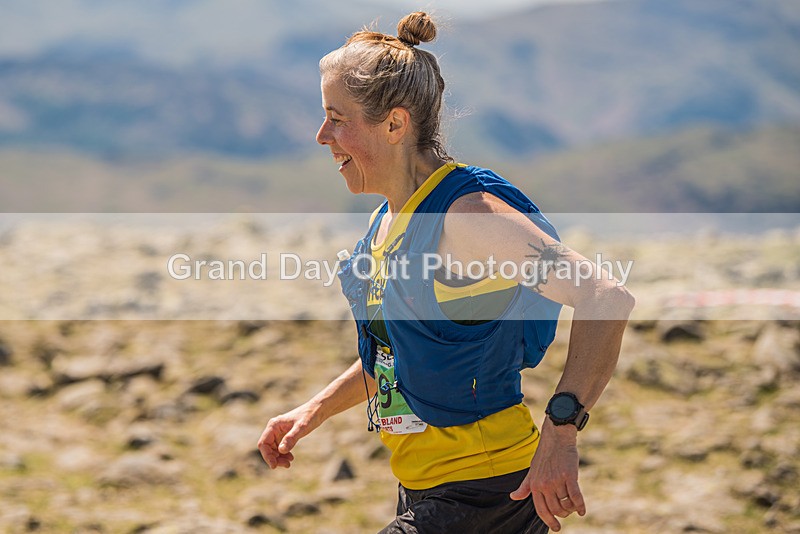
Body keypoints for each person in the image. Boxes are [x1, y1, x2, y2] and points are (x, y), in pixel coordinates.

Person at [258, 12, 635, 533]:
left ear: (394, 124)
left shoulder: (467, 216)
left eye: (337, 117)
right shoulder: (389, 217)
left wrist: (561, 432)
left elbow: (605, 296)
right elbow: (404, 350)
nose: (321, 135)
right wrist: (315, 410)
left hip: (487, 489)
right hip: (430, 489)